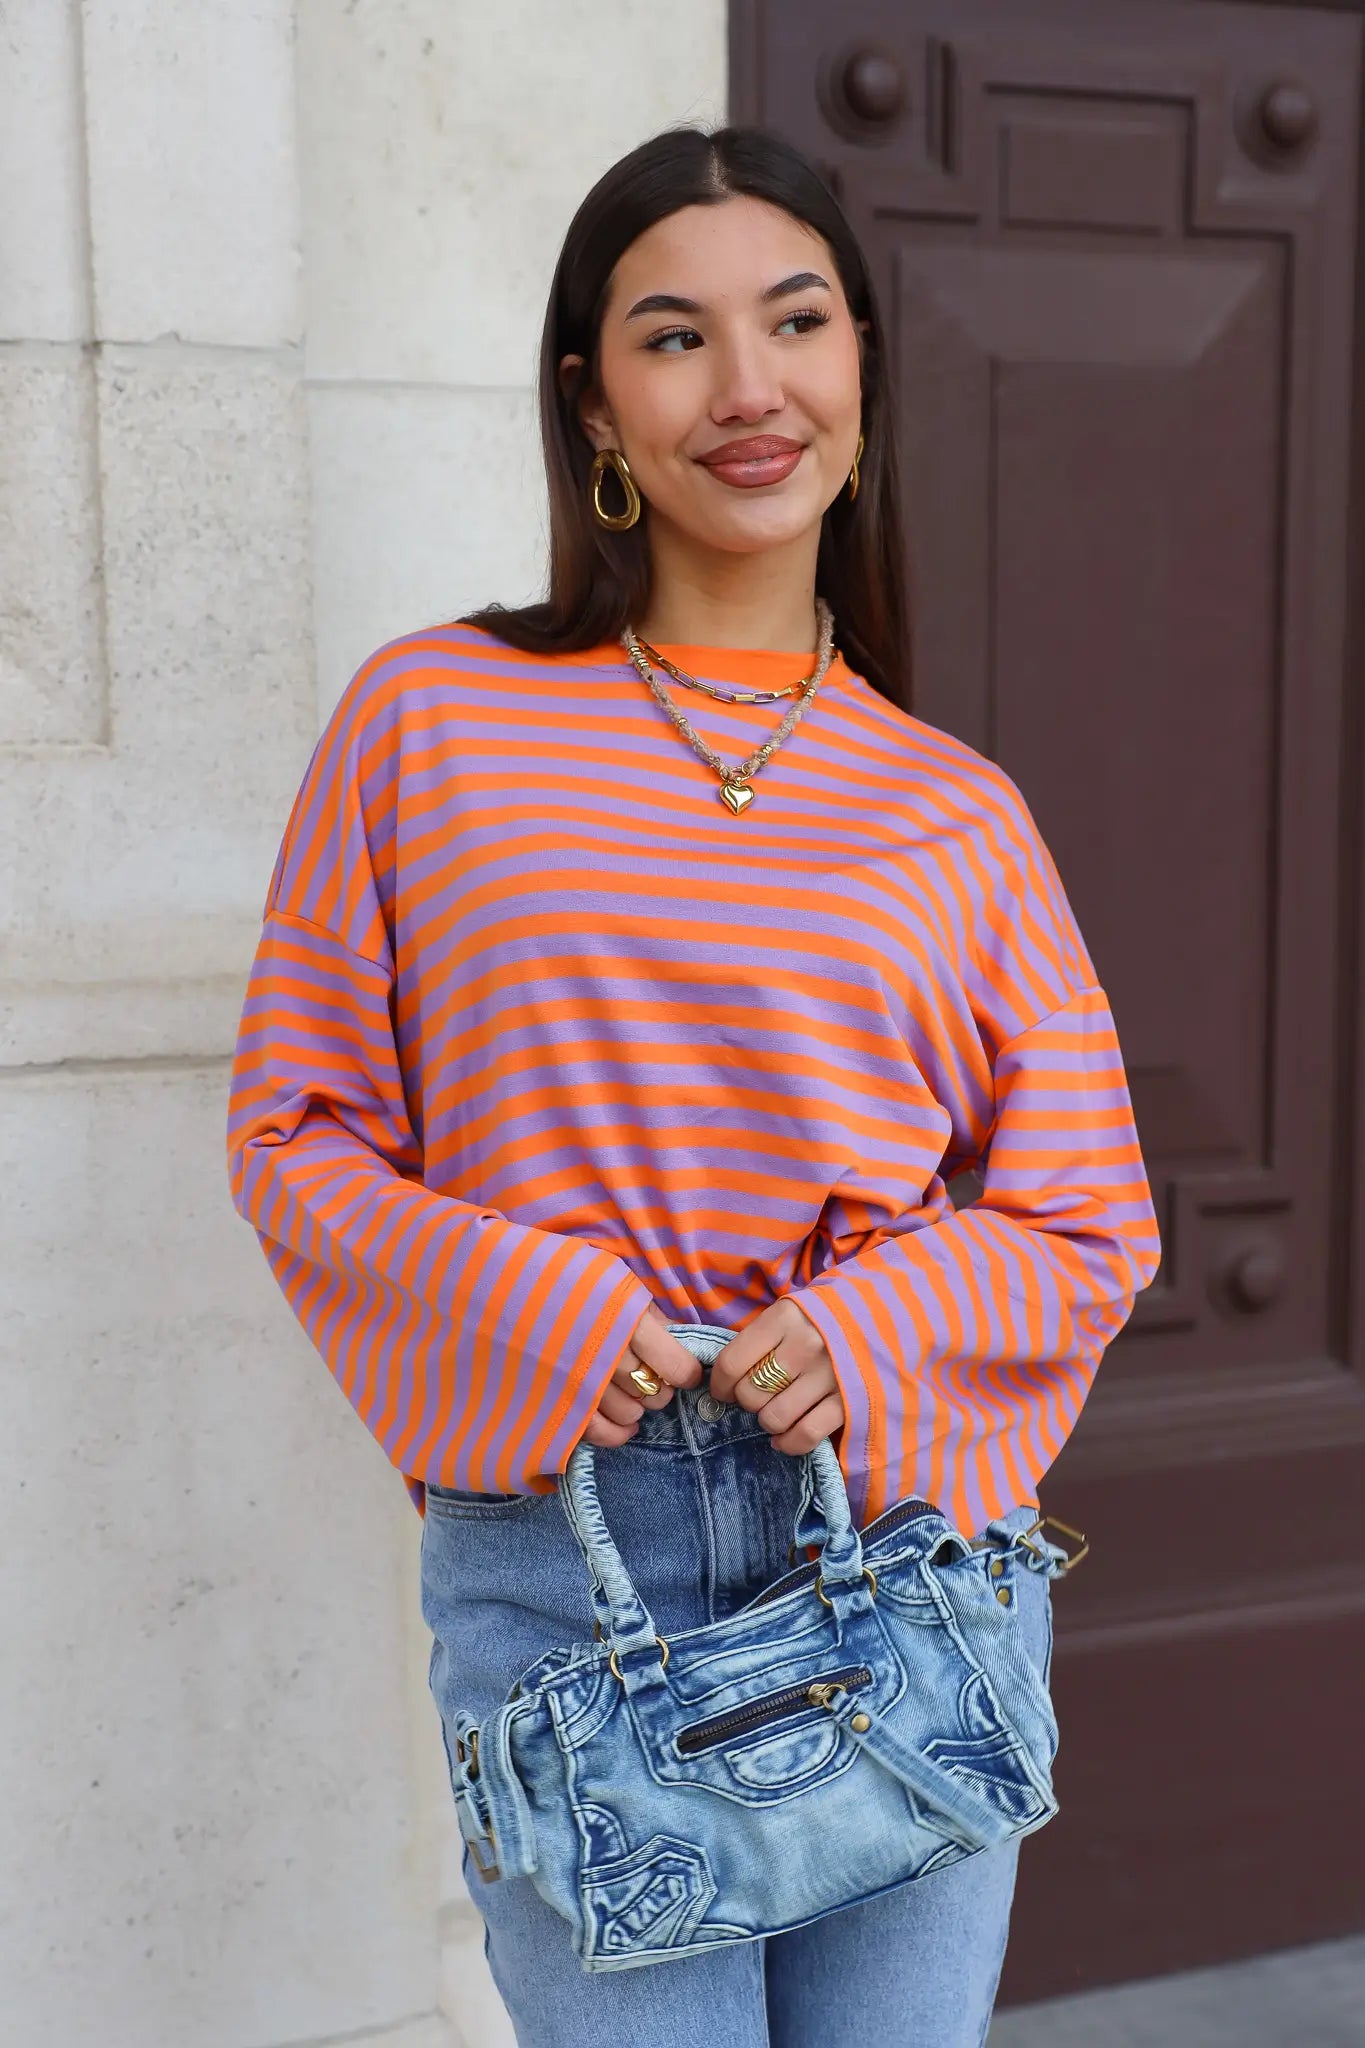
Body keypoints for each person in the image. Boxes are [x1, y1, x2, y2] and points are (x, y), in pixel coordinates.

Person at [226, 123, 1160, 2048]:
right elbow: (296, 1127)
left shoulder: (956, 808)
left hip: (897, 1542)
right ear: (593, 401)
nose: (748, 389)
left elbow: (1083, 1213)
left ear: (863, 371)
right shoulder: (432, 726)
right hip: (574, 1546)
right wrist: (543, 1310)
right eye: (675, 336)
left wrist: (884, 1319)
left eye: (795, 321)